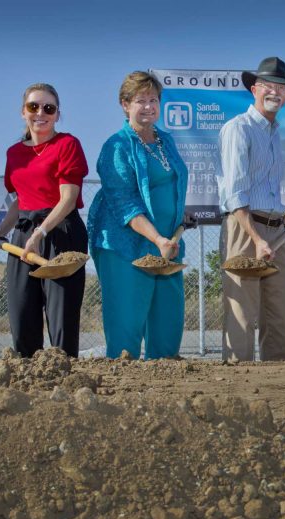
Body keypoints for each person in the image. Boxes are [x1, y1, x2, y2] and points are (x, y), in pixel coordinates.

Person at [88, 71, 191, 359]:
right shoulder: (116, 147)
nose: (149, 106)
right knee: (126, 324)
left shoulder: (166, 141)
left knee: (167, 322)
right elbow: (125, 203)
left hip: (167, 244)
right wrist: (157, 238)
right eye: (141, 100)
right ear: (125, 104)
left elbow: (171, 184)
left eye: (154, 100)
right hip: (125, 246)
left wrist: (181, 214)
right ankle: (124, 393)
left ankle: (166, 391)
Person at [0, 83, 88, 358]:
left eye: (48, 108)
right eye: (33, 106)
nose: (40, 113)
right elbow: (21, 200)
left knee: (61, 318)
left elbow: (68, 198)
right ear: (23, 112)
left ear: (57, 114)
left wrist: (41, 232)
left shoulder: (67, 144)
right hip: (24, 234)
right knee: (22, 312)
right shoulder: (14, 153)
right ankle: (29, 383)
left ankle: (64, 381)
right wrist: (2, 229)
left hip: (61, 233)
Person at [217, 56, 285, 362]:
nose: (275, 92)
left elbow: (266, 191)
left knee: (280, 310)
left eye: (282, 87)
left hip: (275, 231)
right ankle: (238, 388)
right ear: (254, 89)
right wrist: (257, 239)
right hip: (244, 231)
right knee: (241, 312)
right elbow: (235, 193)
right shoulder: (238, 129)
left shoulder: (273, 133)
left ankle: (279, 383)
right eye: (268, 85)